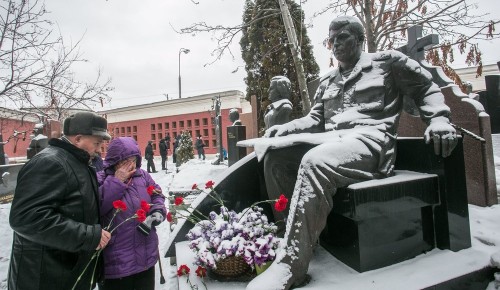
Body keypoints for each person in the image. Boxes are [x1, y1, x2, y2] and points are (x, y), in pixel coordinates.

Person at [246, 16, 457, 290]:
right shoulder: (328, 80)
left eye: (342, 37)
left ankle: (291, 266)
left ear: (359, 39)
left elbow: (426, 89)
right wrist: (286, 129)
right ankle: (293, 234)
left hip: (372, 143)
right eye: (331, 39)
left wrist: (439, 120)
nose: (335, 44)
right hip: (332, 141)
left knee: (314, 162)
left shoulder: (387, 62)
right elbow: (315, 119)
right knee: (276, 157)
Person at [8, 111, 112, 290]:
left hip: (66, 271)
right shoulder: (50, 163)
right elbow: (26, 217)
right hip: (45, 277)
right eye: (97, 143)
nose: (99, 149)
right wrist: (88, 236)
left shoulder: (79, 163)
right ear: (78, 139)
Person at [97, 137, 166, 290]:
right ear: (114, 161)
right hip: (117, 263)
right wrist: (117, 181)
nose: (131, 165)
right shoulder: (101, 179)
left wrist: (157, 210)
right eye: (125, 161)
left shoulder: (142, 176)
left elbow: (157, 194)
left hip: (146, 257)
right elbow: (98, 207)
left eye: (134, 160)